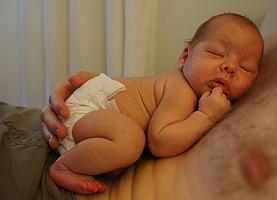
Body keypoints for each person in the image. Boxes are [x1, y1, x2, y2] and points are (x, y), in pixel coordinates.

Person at [42, 13, 264, 195]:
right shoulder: (181, 90)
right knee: (131, 139)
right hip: (86, 110)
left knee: (124, 142)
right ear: (185, 57)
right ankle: (63, 168)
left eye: (245, 68)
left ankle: (91, 157)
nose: (230, 67)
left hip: (92, 118)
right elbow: (160, 141)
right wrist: (207, 117)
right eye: (216, 53)